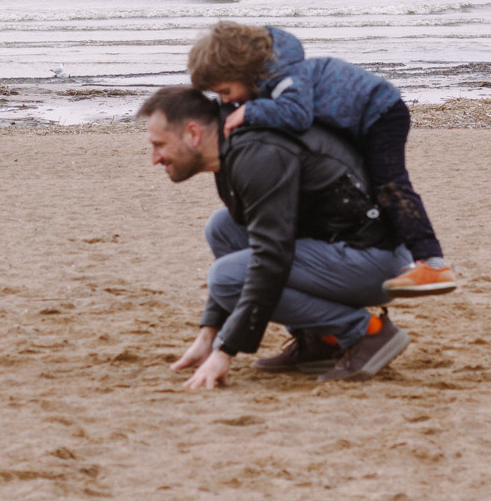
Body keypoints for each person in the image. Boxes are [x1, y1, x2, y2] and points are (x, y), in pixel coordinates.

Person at [137, 85, 414, 389]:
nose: (154, 158)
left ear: (193, 133)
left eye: (159, 145)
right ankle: (322, 340)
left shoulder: (256, 155)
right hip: (346, 246)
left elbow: (272, 256)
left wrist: (225, 350)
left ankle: (366, 332)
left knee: (227, 278)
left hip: (377, 259)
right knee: (223, 228)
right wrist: (209, 333)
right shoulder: (233, 148)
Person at [187, 21, 456, 297]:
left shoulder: (285, 77)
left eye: (226, 92)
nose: (226, 102)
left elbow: (297, 114)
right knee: (368, 186)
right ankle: (397, 250)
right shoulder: (271, 78)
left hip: (380, 112)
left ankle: (433, 263)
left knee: (389, 184)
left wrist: (252, 111)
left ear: (243, 71)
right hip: (359, 118)